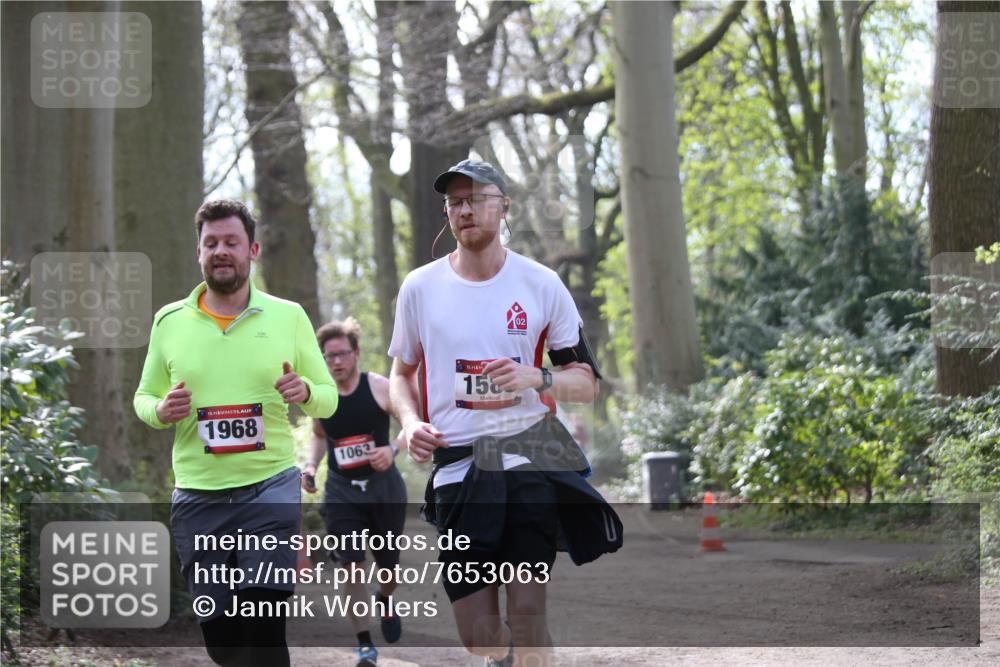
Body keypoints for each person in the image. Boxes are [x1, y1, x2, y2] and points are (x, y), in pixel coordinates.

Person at [388, 159, 622, 667]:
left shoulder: (541, 284)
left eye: (476, 198)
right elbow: (401, 375)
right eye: (455, 202)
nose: (465, 209)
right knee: (480, 636)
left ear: (504, 205)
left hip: (527, 457)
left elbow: (586, 383)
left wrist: (537, 377)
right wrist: (409, 422)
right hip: (459, 469)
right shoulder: (419, 288)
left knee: (528, 612)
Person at [133, 200, 338, 667]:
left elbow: (328, 398)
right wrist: (161, 410)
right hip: (199, 496)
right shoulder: (169, 321)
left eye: (231, 242)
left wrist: (306, 390)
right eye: (211, 243)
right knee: (223, 642)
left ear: (253, 251)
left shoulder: (288, 316)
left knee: (263, 627)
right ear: (198, 253)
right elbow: (143, 397)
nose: (220, 251)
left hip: (270, 489)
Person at [301, 318, 407, 667]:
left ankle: (385, 598)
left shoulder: (379, 387)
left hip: (384, 489)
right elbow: (319, 435)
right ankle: (365, 644)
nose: (335, 362)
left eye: (341, 354)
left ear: (356, 353)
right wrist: (311, 466)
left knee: (389, 571)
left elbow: (411, 425)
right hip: (341, 492)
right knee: (351, 567)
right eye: (328, 356)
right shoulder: (322, 396)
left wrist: (392, 449)